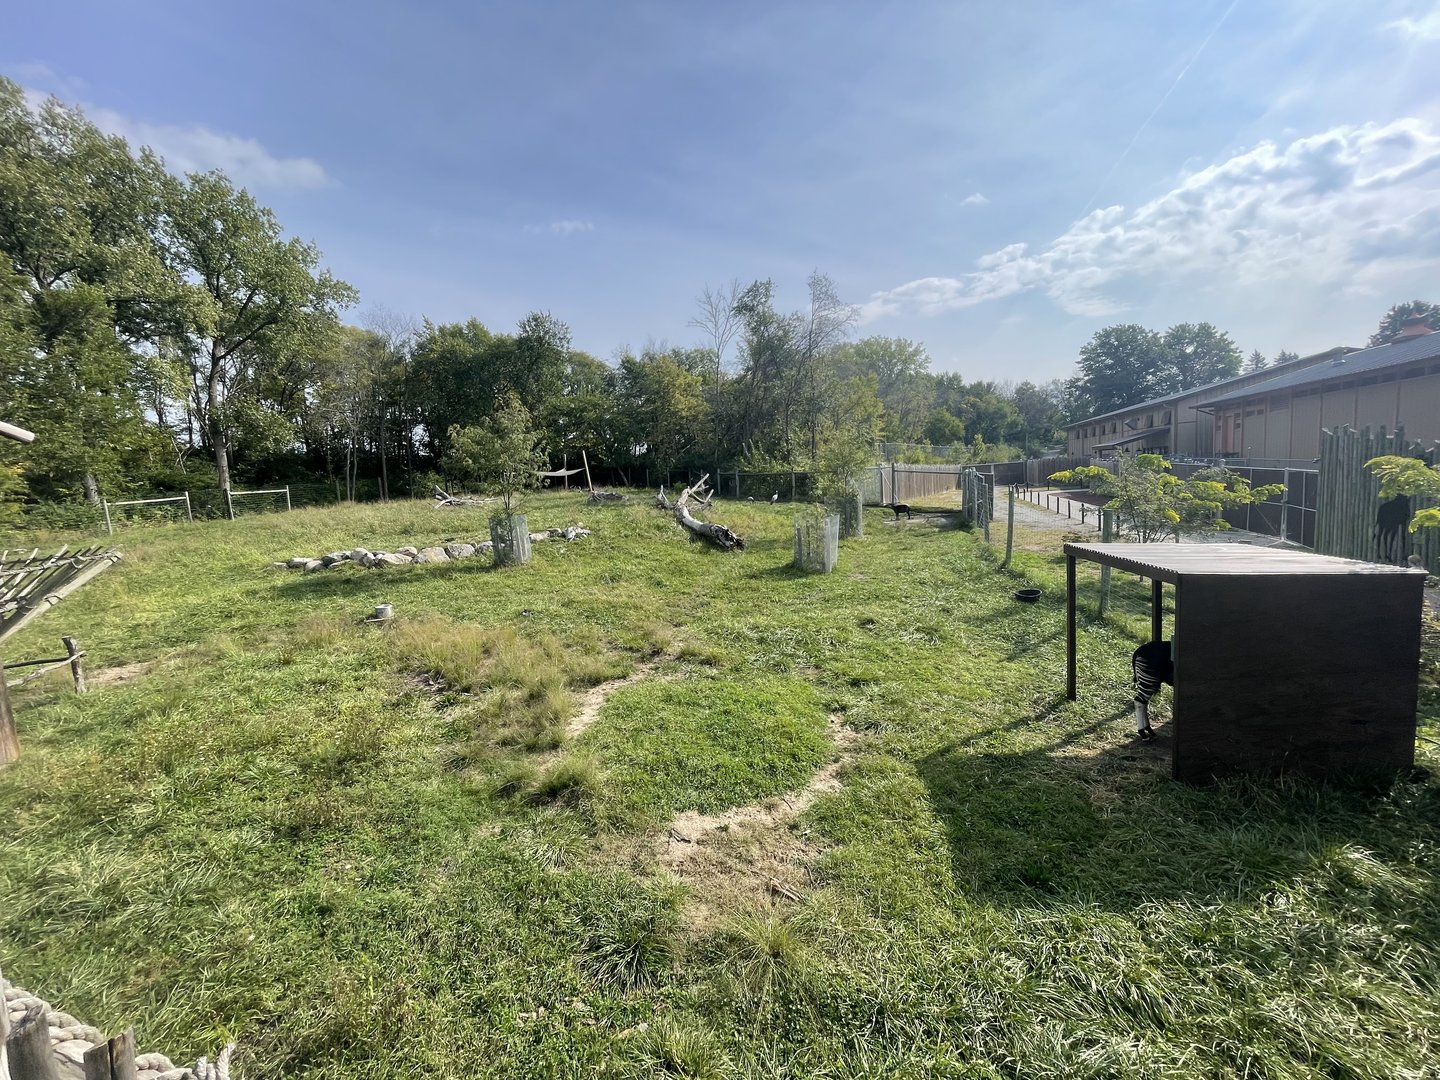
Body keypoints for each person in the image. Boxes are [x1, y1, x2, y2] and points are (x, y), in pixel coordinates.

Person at [1131, 639, 1173, 740]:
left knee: (1143, 697)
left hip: (1149, 655)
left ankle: (1144, 726)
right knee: (1142, 697)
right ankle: (1141, 729)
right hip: (1154, 659)